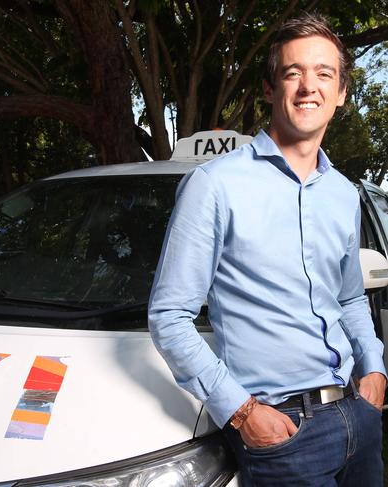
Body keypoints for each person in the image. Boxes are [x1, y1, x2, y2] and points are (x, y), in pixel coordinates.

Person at [148, 13, 386, 486]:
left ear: (340, 93)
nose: (307, 87)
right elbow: (169, 316)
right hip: (283, 433)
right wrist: (240, 412)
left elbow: (351, 299)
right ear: (269, 87)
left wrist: (374, 369)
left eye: (324, 74)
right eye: (292, 72)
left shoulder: (343, 193)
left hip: (357, 417)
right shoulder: (214, 185)